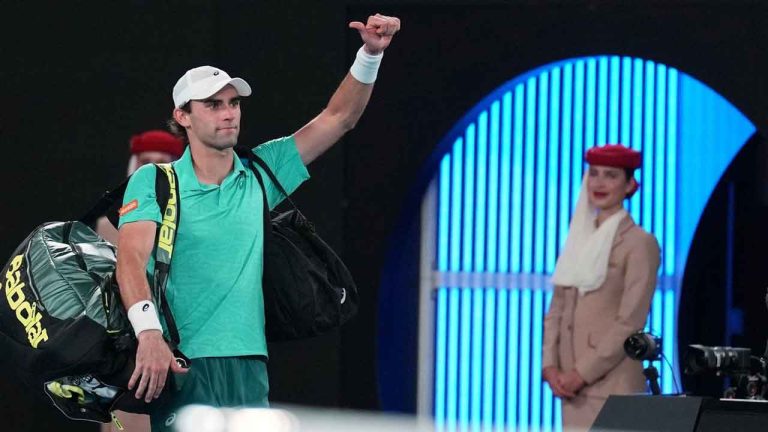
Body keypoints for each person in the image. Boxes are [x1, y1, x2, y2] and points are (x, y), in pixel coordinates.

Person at [115, 13, 400, 432]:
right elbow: (131, 261)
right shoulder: (156, 180)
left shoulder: (262, 172)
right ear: (183, 116)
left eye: (233, 103)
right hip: (182, 363)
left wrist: (370, 55)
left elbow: (339, 118)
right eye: (213, 104)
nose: (228, 113)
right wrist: (149, 335)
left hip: (250, 364)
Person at [542, 144, 661, 431]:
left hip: (610, 383)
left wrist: (581, 374)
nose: (599, 183)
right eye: (593, 174)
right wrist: (550, 367)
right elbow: (556, 308)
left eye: (610, 175)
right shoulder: (577, 237)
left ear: (630, 184)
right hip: (570, 387)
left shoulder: (639, 243)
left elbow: (630, 321)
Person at [96, 130, 184, 246]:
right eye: (145, 162)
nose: (151, 169)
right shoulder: (108, 225)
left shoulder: (193, 220)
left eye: (162, 162)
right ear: (135, 166)